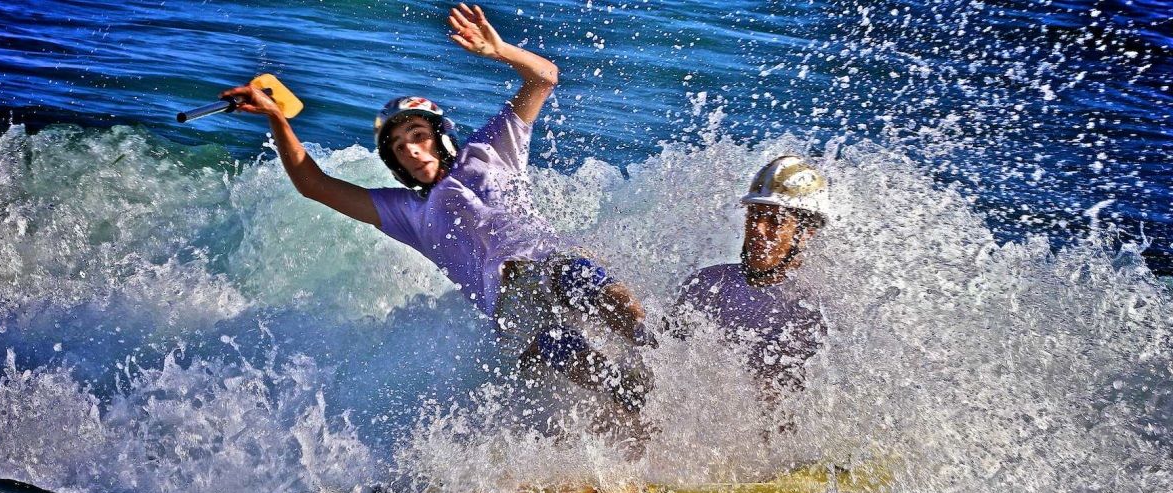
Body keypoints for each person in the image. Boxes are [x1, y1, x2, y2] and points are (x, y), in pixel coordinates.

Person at [220, 4, 652, 413]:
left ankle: (658, 345)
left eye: (417, 134)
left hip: (549, 263)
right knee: (553, 342)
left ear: (441, 135)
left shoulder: (492, 149)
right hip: (510, 309)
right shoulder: (404, 211)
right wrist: (278, 118)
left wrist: (499, 51)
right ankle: (632, 396)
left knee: (578, 273)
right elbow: (314, 184)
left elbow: (544, 78)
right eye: (398, 146)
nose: (410, 149)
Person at [673, 155, 831, 404]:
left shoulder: (813, 310)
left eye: (774, 221)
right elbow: (661, 356)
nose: (757, 229)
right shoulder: (706, 284)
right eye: (755, 216)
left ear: (805, 234)